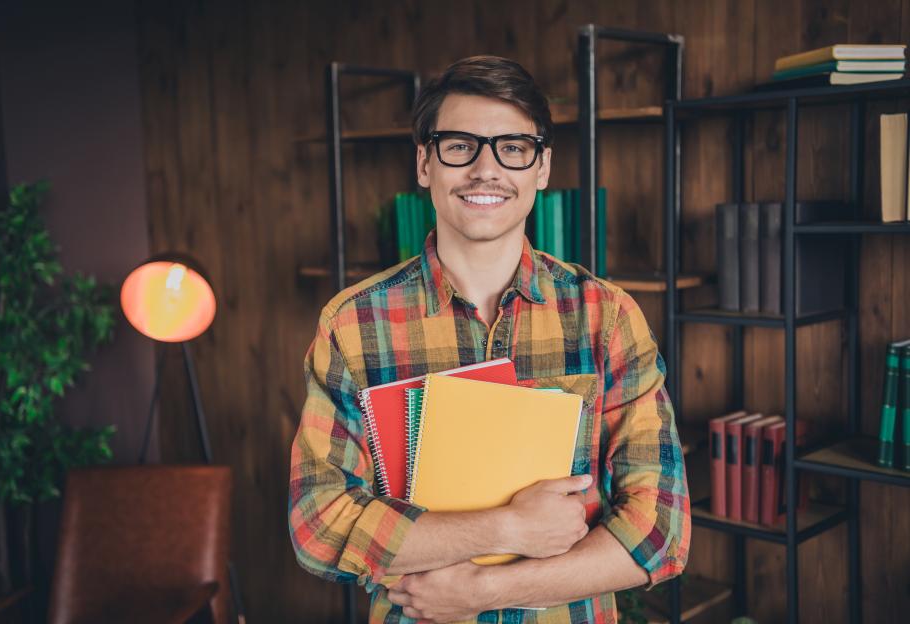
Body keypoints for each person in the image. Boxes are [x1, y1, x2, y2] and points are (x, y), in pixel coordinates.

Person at [289, 55, 690, 623]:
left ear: (542, 167)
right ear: (425, 163)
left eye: (513, 147)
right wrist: (508, 527)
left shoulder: (608, 317)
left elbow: (660, 531)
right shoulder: (354, 324)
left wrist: (482, 591)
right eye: (460, 145)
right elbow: (318, 527)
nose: (486, 169)